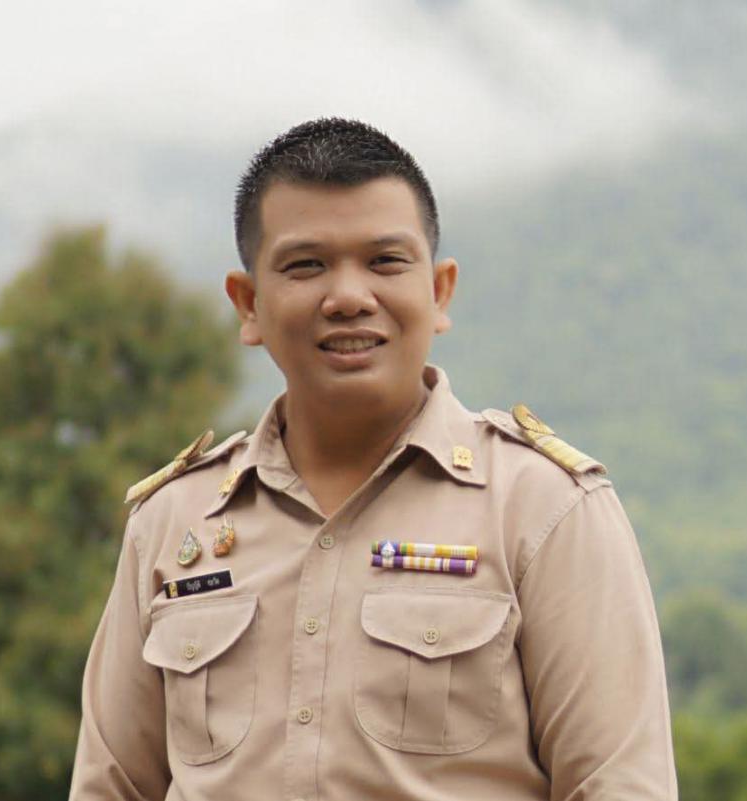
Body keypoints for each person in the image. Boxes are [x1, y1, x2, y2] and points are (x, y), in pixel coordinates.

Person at [69, 117, 678, 800]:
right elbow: (110, 786)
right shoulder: (172, 521)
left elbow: (619, 783)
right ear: (249, 304)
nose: (350, 297)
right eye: (306, 265)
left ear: (439, 291)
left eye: (385, 261)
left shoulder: (545, 508)